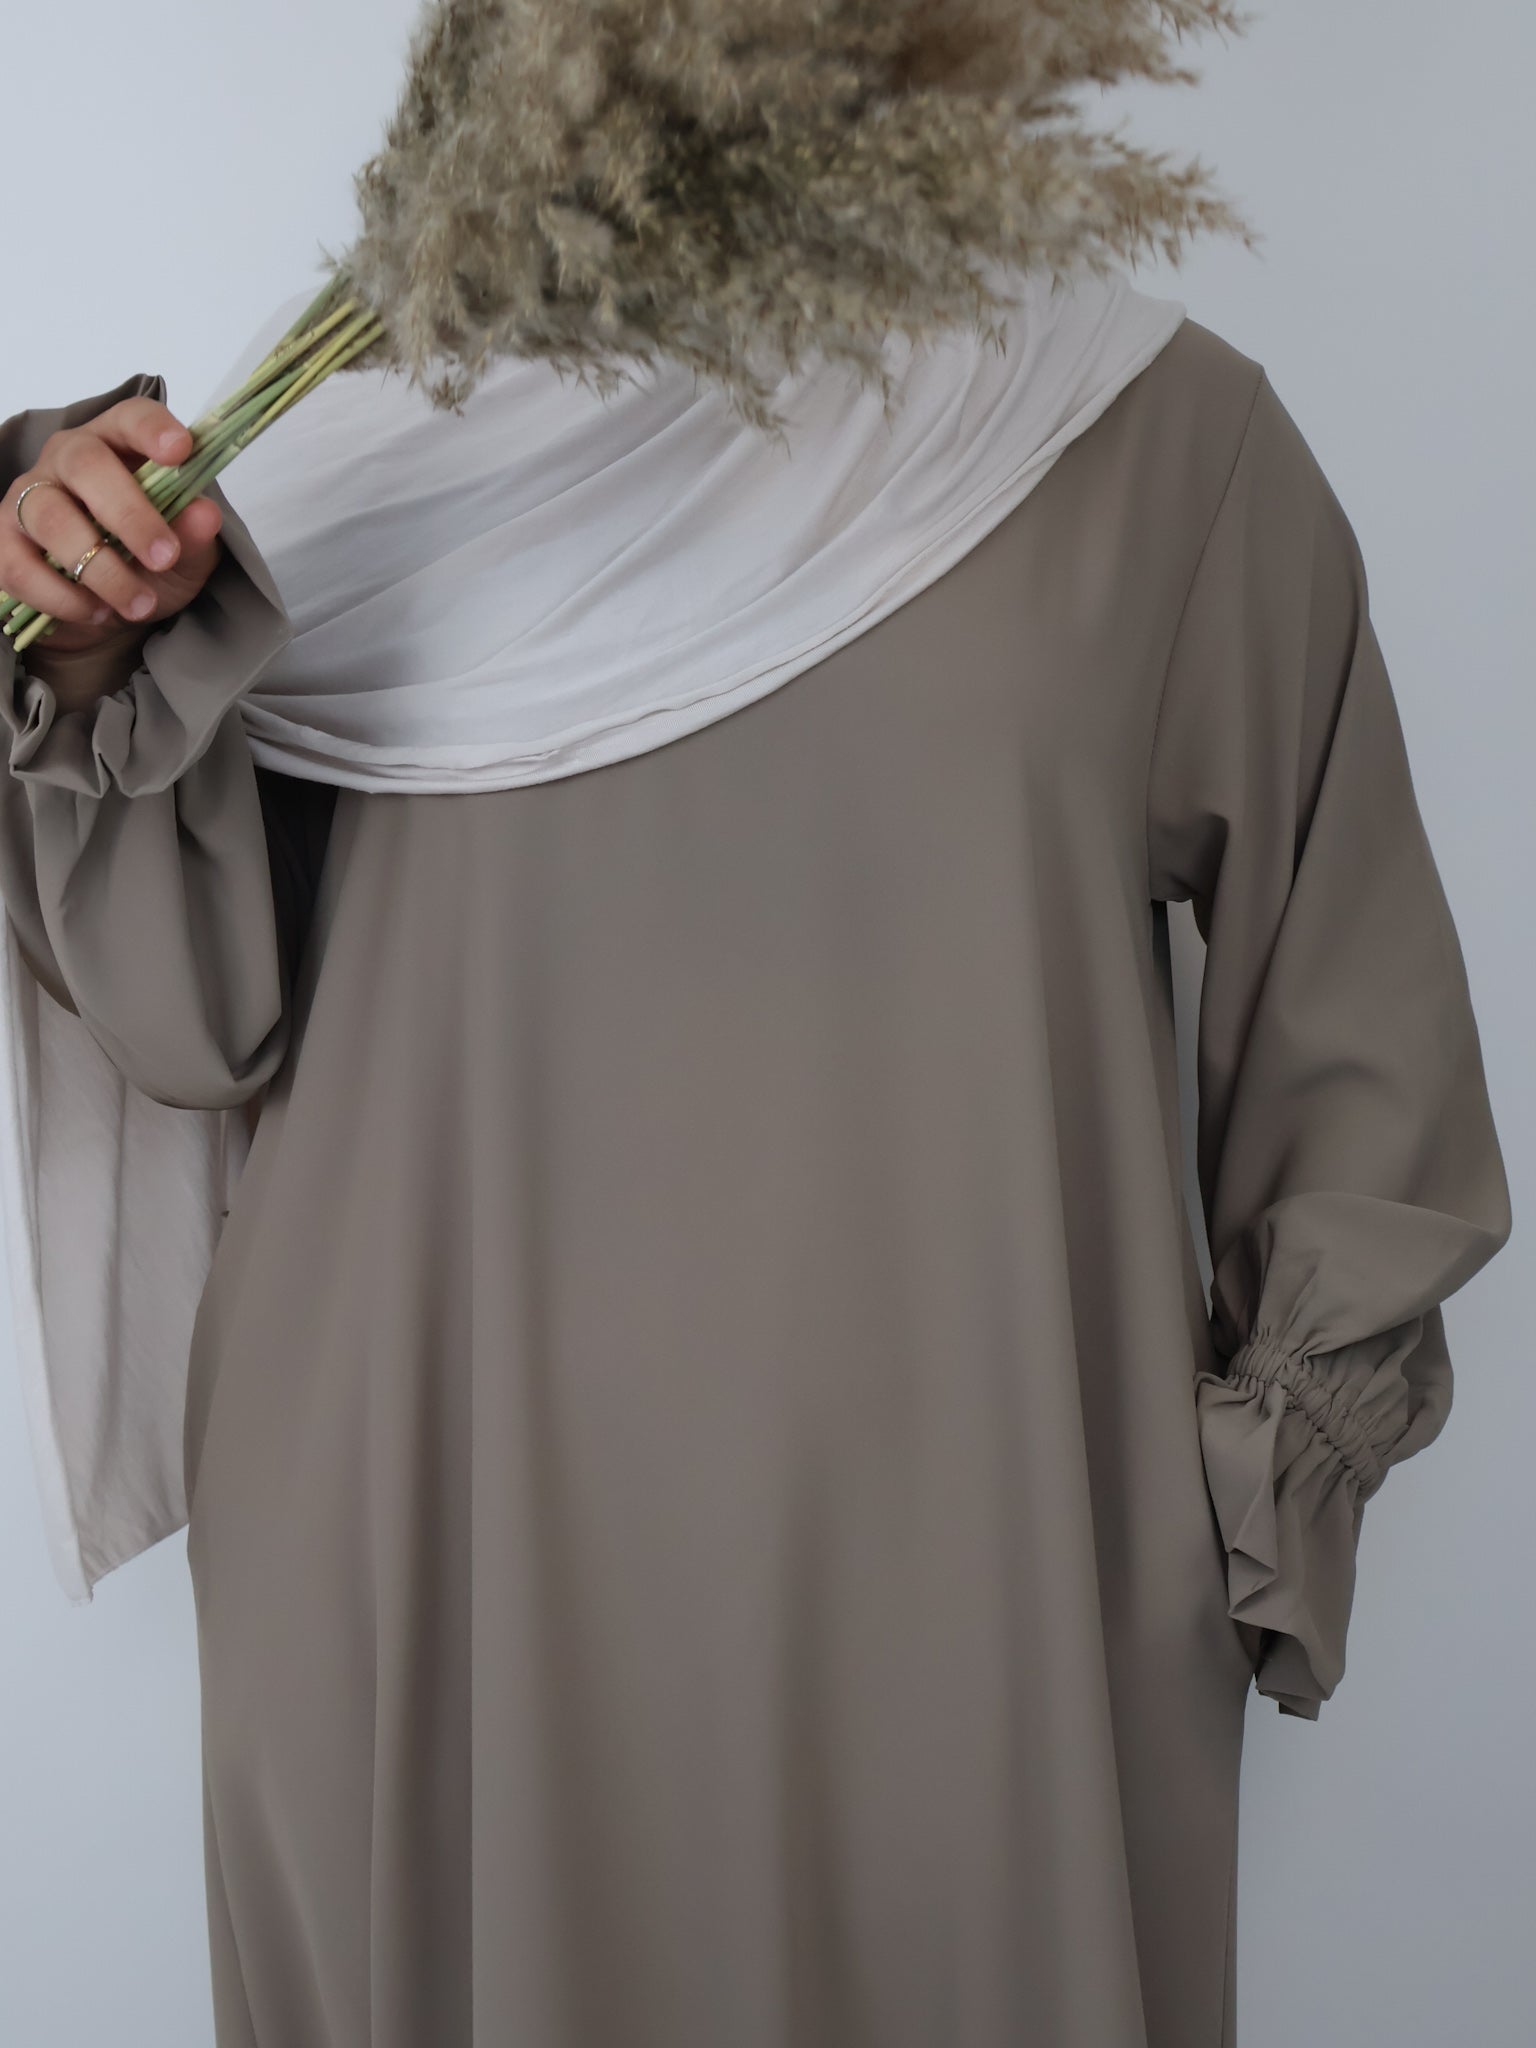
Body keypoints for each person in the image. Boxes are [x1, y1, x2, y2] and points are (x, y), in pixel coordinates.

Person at [0, 268, 1511, 2047]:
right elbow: (190, 1023)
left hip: (978, 1583)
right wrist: (85, 632)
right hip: (428, 1553)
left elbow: (1358, 1037)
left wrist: (1239, 1515)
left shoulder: (1140, 431)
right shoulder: (343, 444)